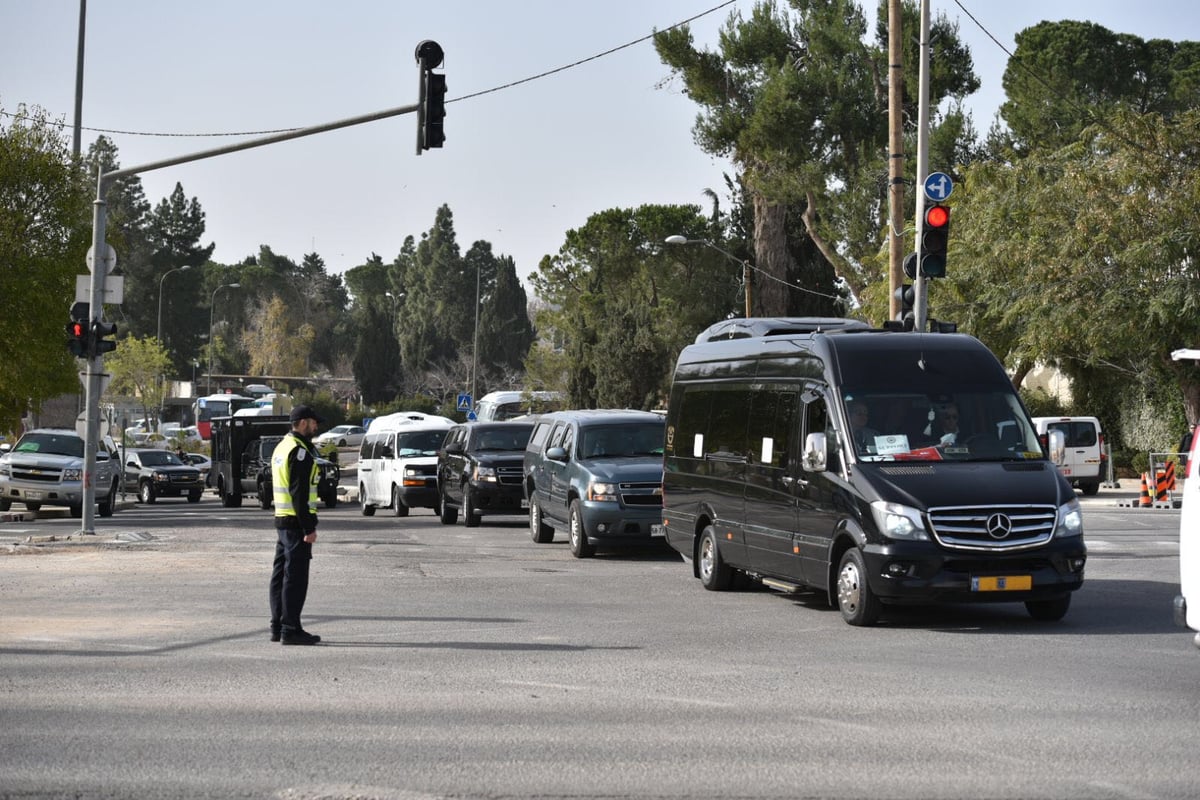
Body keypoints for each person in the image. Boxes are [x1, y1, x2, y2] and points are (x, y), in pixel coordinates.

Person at [268, 404, 325, 646]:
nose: (316, 427)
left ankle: (278, 626)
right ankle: (291, 629)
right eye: (313, 422)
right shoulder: (299, 451)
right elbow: (299, 493)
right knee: (295, 577)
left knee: (280, 575)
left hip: (282, 520)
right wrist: (308, 527)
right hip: (295, 523)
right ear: (303, 422)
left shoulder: (282, 447)